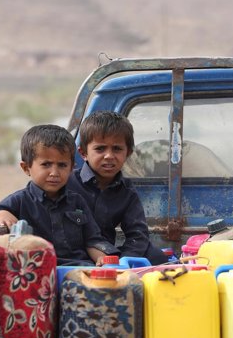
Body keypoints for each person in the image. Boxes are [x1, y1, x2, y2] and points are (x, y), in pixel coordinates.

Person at [0, 124, 119, 266]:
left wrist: (102, 259)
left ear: (71, 168)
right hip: (39, 271)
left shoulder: (77, 202)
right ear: (26, 168)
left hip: (80, 268)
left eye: (62, 165)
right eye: (46, 164)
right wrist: (1, 215)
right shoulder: (20, 200)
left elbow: (92, 240)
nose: (54, 173)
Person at [67, 111, 169, 265]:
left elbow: (138, 235)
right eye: (100, 149)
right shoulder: (67, 183)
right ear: (83, 153)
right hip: (72, 255)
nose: (109, 156)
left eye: (117, 149)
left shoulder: (126, 192)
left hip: (107, 255)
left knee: (156, 255)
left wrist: (122, 262)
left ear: (128, 153)